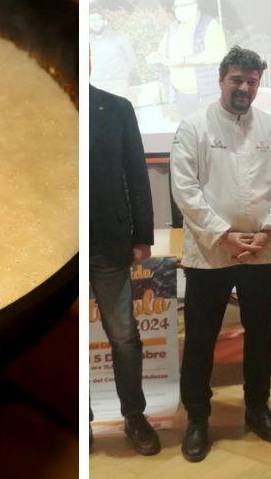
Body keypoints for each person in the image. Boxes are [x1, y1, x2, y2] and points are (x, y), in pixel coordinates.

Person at [170, 45, 271, 462]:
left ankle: (257, 408)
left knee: (260, 335)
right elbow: (185, 190)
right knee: (201, 338)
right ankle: (198, 418)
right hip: (210, 253)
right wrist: (222, 235)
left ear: (259, 84)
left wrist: (269, 232)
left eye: (252, 81)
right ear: (221, 80)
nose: (244, 88)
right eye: (237, 80)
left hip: (260, 249)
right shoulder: (194, 126)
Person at [89, 84, 160, 455]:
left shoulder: (116, 108)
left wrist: (143, 235)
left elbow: (135, 172)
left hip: (109, 243)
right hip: (56, 246)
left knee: (124, 337)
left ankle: (134, 416)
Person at [147, 0, 226, 117]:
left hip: (205, 93)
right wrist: (157, 55)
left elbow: (218, 53)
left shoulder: (209, 24)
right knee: (191, 127)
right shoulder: (173, 27)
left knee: (210, 127)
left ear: (195, 6)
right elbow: (163, 49)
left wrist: (185, 60)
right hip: (181, 94)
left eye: (182, 5)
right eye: (176, 6)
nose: (178, 10)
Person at [88, 10, 137, 99]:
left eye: (97, 19)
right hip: (96, 84)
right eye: (91, 20)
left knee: (121, 107)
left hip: (118, 84)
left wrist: (124, 75)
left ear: (105, 22)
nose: (95, 23)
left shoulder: (118, 37)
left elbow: (132, 58)